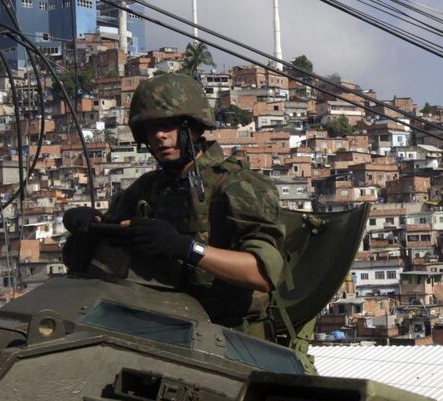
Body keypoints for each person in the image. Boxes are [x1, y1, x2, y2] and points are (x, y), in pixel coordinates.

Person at [63, 73, 285, 334]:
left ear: (193, 127)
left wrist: (185, 247)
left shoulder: (239, 186)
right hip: (164, 327)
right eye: (150, 128)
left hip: (233, 335)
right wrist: (89, 227)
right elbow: (104, 253)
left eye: (168, 126)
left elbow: (262, 273)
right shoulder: (148, 188)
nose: (159, 136)